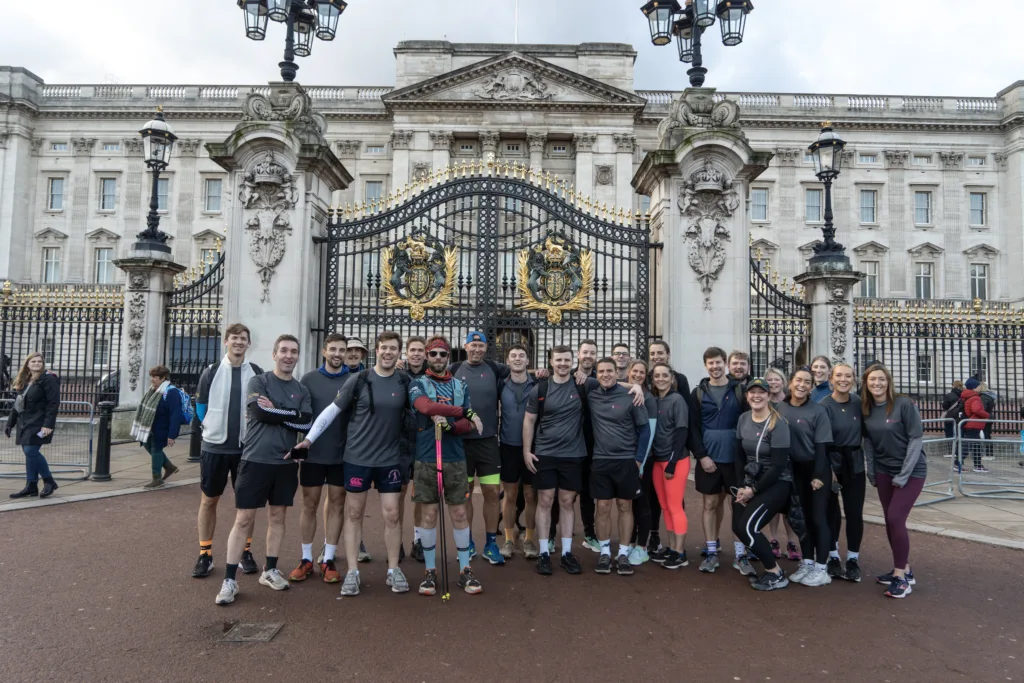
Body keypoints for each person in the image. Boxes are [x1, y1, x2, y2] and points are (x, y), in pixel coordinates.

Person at [298, 332, 412, 596]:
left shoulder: (404, 381)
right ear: (376, 350)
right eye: (384, 348)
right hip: (358, 457)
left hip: (389, 459)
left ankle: (393, 569)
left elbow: (421, 407)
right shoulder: (358, 379)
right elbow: (331, 411)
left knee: (392, 514)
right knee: (353, 513)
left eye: (393, 349)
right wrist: (309, 440)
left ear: (398, 352)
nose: (388, 353)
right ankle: (352, 571)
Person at [215, 334, 313, 606]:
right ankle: (230, 579)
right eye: (283, 350)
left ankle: (270, 570)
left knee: (278, 518)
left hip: (284, 463)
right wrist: (290, 415)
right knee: (244, 519)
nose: (288, 355)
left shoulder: (301, 389)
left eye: (293, 351)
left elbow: (306, 423)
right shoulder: (259, 381)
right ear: (274, 354)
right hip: (255, 459)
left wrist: (280, 412)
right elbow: (259, 413)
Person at [408, 336, 485, 596]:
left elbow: (468, 425)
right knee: (429, 515)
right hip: (427, 457)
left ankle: (465, 570)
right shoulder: (418, 383)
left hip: (454, 457)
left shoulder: (460, 384)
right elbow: (424, 407)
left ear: (448, 358)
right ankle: (430, 571)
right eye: (434, 354)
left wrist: (453, 422)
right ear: (427, 357)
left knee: (460, 514)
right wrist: (461, 412)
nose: (438, 358)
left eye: (442, 354)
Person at [193, 323, 263, 578]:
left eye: (243, 338)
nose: (239, 342)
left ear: (248, 343)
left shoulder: (256, 372)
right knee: (209, 500)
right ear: (226, 342)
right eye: (235, 338)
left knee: (247, 504)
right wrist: (212, 428)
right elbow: (201, 408)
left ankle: (245, 551)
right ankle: (205, 553)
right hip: (215, 447)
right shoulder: (210, 372)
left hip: (246, 449)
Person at [523, 345, 589, 575]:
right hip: (545, 453)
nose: (562, 363)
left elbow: (611, 383)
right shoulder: (540, 388)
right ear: (551, 362)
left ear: (573, 362)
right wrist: (526, 450)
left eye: (567, 360)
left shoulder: (582, 384)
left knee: (567, 502)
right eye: (558, 359)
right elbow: (529, 420)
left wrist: (637, 387)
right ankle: (543, 552)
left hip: (573, 454)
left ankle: (567, 553)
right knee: (545, 500)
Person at [861, 363, 926, 599]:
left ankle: (901, 577)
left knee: (896, 517)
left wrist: (904, 474)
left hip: (911, 471)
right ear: (866, 384)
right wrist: (872, 470)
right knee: (890, 521)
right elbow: (868, 442)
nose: (877, 384)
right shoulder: (866, 407)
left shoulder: (903, 404)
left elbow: (916, 440)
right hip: (884, 471)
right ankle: (904, 569)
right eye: (872, 380)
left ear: (888, 382)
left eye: (881, 379)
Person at [292, 333, 349, 585]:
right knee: (309, 504)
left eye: (342, 350)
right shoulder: (308, 379)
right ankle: (305, 559)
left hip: (342, 453)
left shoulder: (354, 379)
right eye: (333, 349)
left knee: (337, 504)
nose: (338, 354)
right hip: (314, 453)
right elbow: (302, 416)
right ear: (324, 352)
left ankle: (328, 558)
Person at [451, 331, 510, 565]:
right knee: (464, 493)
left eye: (481, 345)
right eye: (473, 345)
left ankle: (490, 543)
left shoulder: (495, 369)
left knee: (492, 494)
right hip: (461, 442)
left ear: (486, 348)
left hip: (487, 442)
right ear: (465, 346)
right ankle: (468, 542)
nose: (477, 349)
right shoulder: (455, 368)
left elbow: (522, 373)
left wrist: (543, 371)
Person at [691, 347, 751, 575]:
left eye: (718, 363)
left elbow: (748, 421)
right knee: (710, 504)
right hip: (710, 459)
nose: (715, 367)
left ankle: (740, 553)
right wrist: (702, 455)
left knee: (738, 505)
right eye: (711, 363)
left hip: (735, 460)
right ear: (706, 366)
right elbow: (693, 428)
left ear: (725, 364)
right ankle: (711, 550)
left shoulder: (739, 390)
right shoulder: (698, 392)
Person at [588, 357, 651, 576]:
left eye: (609, 371)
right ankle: (605, 552)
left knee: (625, 506)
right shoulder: (591, 394)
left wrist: (639, 459)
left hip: (626, 460)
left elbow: (645, 429)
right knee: (602, 507)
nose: (605, 374)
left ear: (617, 373)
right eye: (601, 371)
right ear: (596, 374)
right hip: (600, 460)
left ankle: (622, 553)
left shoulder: (631, 396)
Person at [731, 378, 794, 591]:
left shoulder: (779, 423)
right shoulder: (743, 419)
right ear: (747, 396)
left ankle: (775, 572)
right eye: (752, 392)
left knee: (749, 529)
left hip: (776, 483)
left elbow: (778, 465)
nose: (756, 396)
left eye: (761, 392)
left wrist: (753, 490)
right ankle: (770, 566)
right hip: (750, 482)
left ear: (769, 396)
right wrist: (741, 486)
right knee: (737, 526)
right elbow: (739, 456)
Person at [776, 366, 833, 587]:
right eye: (798, 380)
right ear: (790, 383)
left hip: (816, 470)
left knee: (818, 518)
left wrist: (818, 474)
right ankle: (807, 562)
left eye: (807, 382)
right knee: (801, 518)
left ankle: (821, 567)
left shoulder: (818, 411)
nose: (802, 385)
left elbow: (822, 446)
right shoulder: (780, 407)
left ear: (811, 387)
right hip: (793, 471)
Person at [647, 340, 698, 557]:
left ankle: (680, 550)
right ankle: (671, 546)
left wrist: (673, 461)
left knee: (675, 506)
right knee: (664, 505)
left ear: (672, 378)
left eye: (664, 376)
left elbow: (681, 432)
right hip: (657, 460)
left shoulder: (677, 400)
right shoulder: (653, 399)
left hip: (674, 460)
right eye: (656, 376)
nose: (660, 379)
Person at [821, 363, 865, 582]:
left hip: (855, 461)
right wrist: (828, 469)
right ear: (831, 379)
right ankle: (833, 556)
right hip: (832, 460)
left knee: (854, 512)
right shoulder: (824, 406)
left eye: (848, 376)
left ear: (854, 379)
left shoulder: (859, 403)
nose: (843, 379)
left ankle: (853, 559)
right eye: (839, 375)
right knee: (832, 512)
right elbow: (821, 441)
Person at [498, 343, 538, 560]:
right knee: (510, 494)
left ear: (528, 361)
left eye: (521, 355)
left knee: (531, 495)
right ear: (507, 361)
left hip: (533, 447)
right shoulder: (500, 384)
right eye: (513, 355)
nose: (517, 359)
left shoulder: (539, 384)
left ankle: (529, 539)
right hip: (508, 446)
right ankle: (508, 539)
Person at [5, 352, 61, 499]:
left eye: (39, 362)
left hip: (40, 422)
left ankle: (49, 481)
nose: (37, 364)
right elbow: (18, 404)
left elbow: (53, 404)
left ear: (43, 364)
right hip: (24, 422)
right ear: (27, 364)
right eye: (33, 361)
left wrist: (48, 424)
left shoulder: (49, 379)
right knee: (29, 454)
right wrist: (10, 423)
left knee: (31, 451)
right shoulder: (25, 379)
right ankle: (31, 485)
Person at [764, 367, 798, 560]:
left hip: (790, 456)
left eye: (776, 379)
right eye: (769, 380)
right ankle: (773, 539)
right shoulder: (764, 401)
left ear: (783, 381)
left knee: (790, 503)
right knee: (774, 503)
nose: (773, 383)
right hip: (770, 458)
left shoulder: (790, 402)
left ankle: (792, 541)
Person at [625, 359, 658, 566]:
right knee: (627, 502)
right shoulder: (624, 390)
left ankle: (642, 546)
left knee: (642, 502)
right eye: (634, 371)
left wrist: (641, 461)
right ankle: (629, 541)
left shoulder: (649, 398)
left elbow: (650, 431)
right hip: (625, 456)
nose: (638, 375)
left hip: (643, 458)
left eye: (642, 373)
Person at [131, 365, 183, 489]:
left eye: (155, 377)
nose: (152, 380)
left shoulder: (171, 392)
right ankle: (169, 467)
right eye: (151, 377)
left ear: (163, 378)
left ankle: (157, 478)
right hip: (150, 427)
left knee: (156, 450)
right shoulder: (154, 390)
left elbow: (176, 415)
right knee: (146, 444)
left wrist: (172, 434)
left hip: (162, 428)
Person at [403, 336, 429, 562]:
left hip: (423, 440)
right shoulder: (399, 374)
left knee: (419, 495)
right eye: (413, 350)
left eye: (421, 350)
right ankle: (397, 541)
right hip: (401, 442)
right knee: (398, 494)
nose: (417, 354)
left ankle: (418, 539)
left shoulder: (432, 376)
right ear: (407, 352)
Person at [572, 339, 600, 552]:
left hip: (595, 443)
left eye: (592, 352)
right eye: (585, 352)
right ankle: (553, 533)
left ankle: (589, 532)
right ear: (578, 355)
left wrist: (635, 385)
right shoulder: (569, 375)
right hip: (570, 442)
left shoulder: (602, 377)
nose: (588, 355)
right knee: (562, 493)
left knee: (588, 493)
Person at [959, 377, 990, 474]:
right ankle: (958, 462)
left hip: (971, 423)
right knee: (969, 444)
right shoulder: (975, 397)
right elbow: (976, 410)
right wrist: (987, 415)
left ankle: (978, 465)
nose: (980, 387)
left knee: (976, 445)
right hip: (974, 424)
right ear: (974, 387)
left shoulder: (967, 396)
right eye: (978, 385)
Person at [979, 382, 997, 463]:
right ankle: (989, 453)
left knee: (986, 435)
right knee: (987, 435)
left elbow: (982, 408)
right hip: (989, 416)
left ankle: (988, 454)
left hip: (985, 417)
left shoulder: (983, 397)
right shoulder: (990, 396)